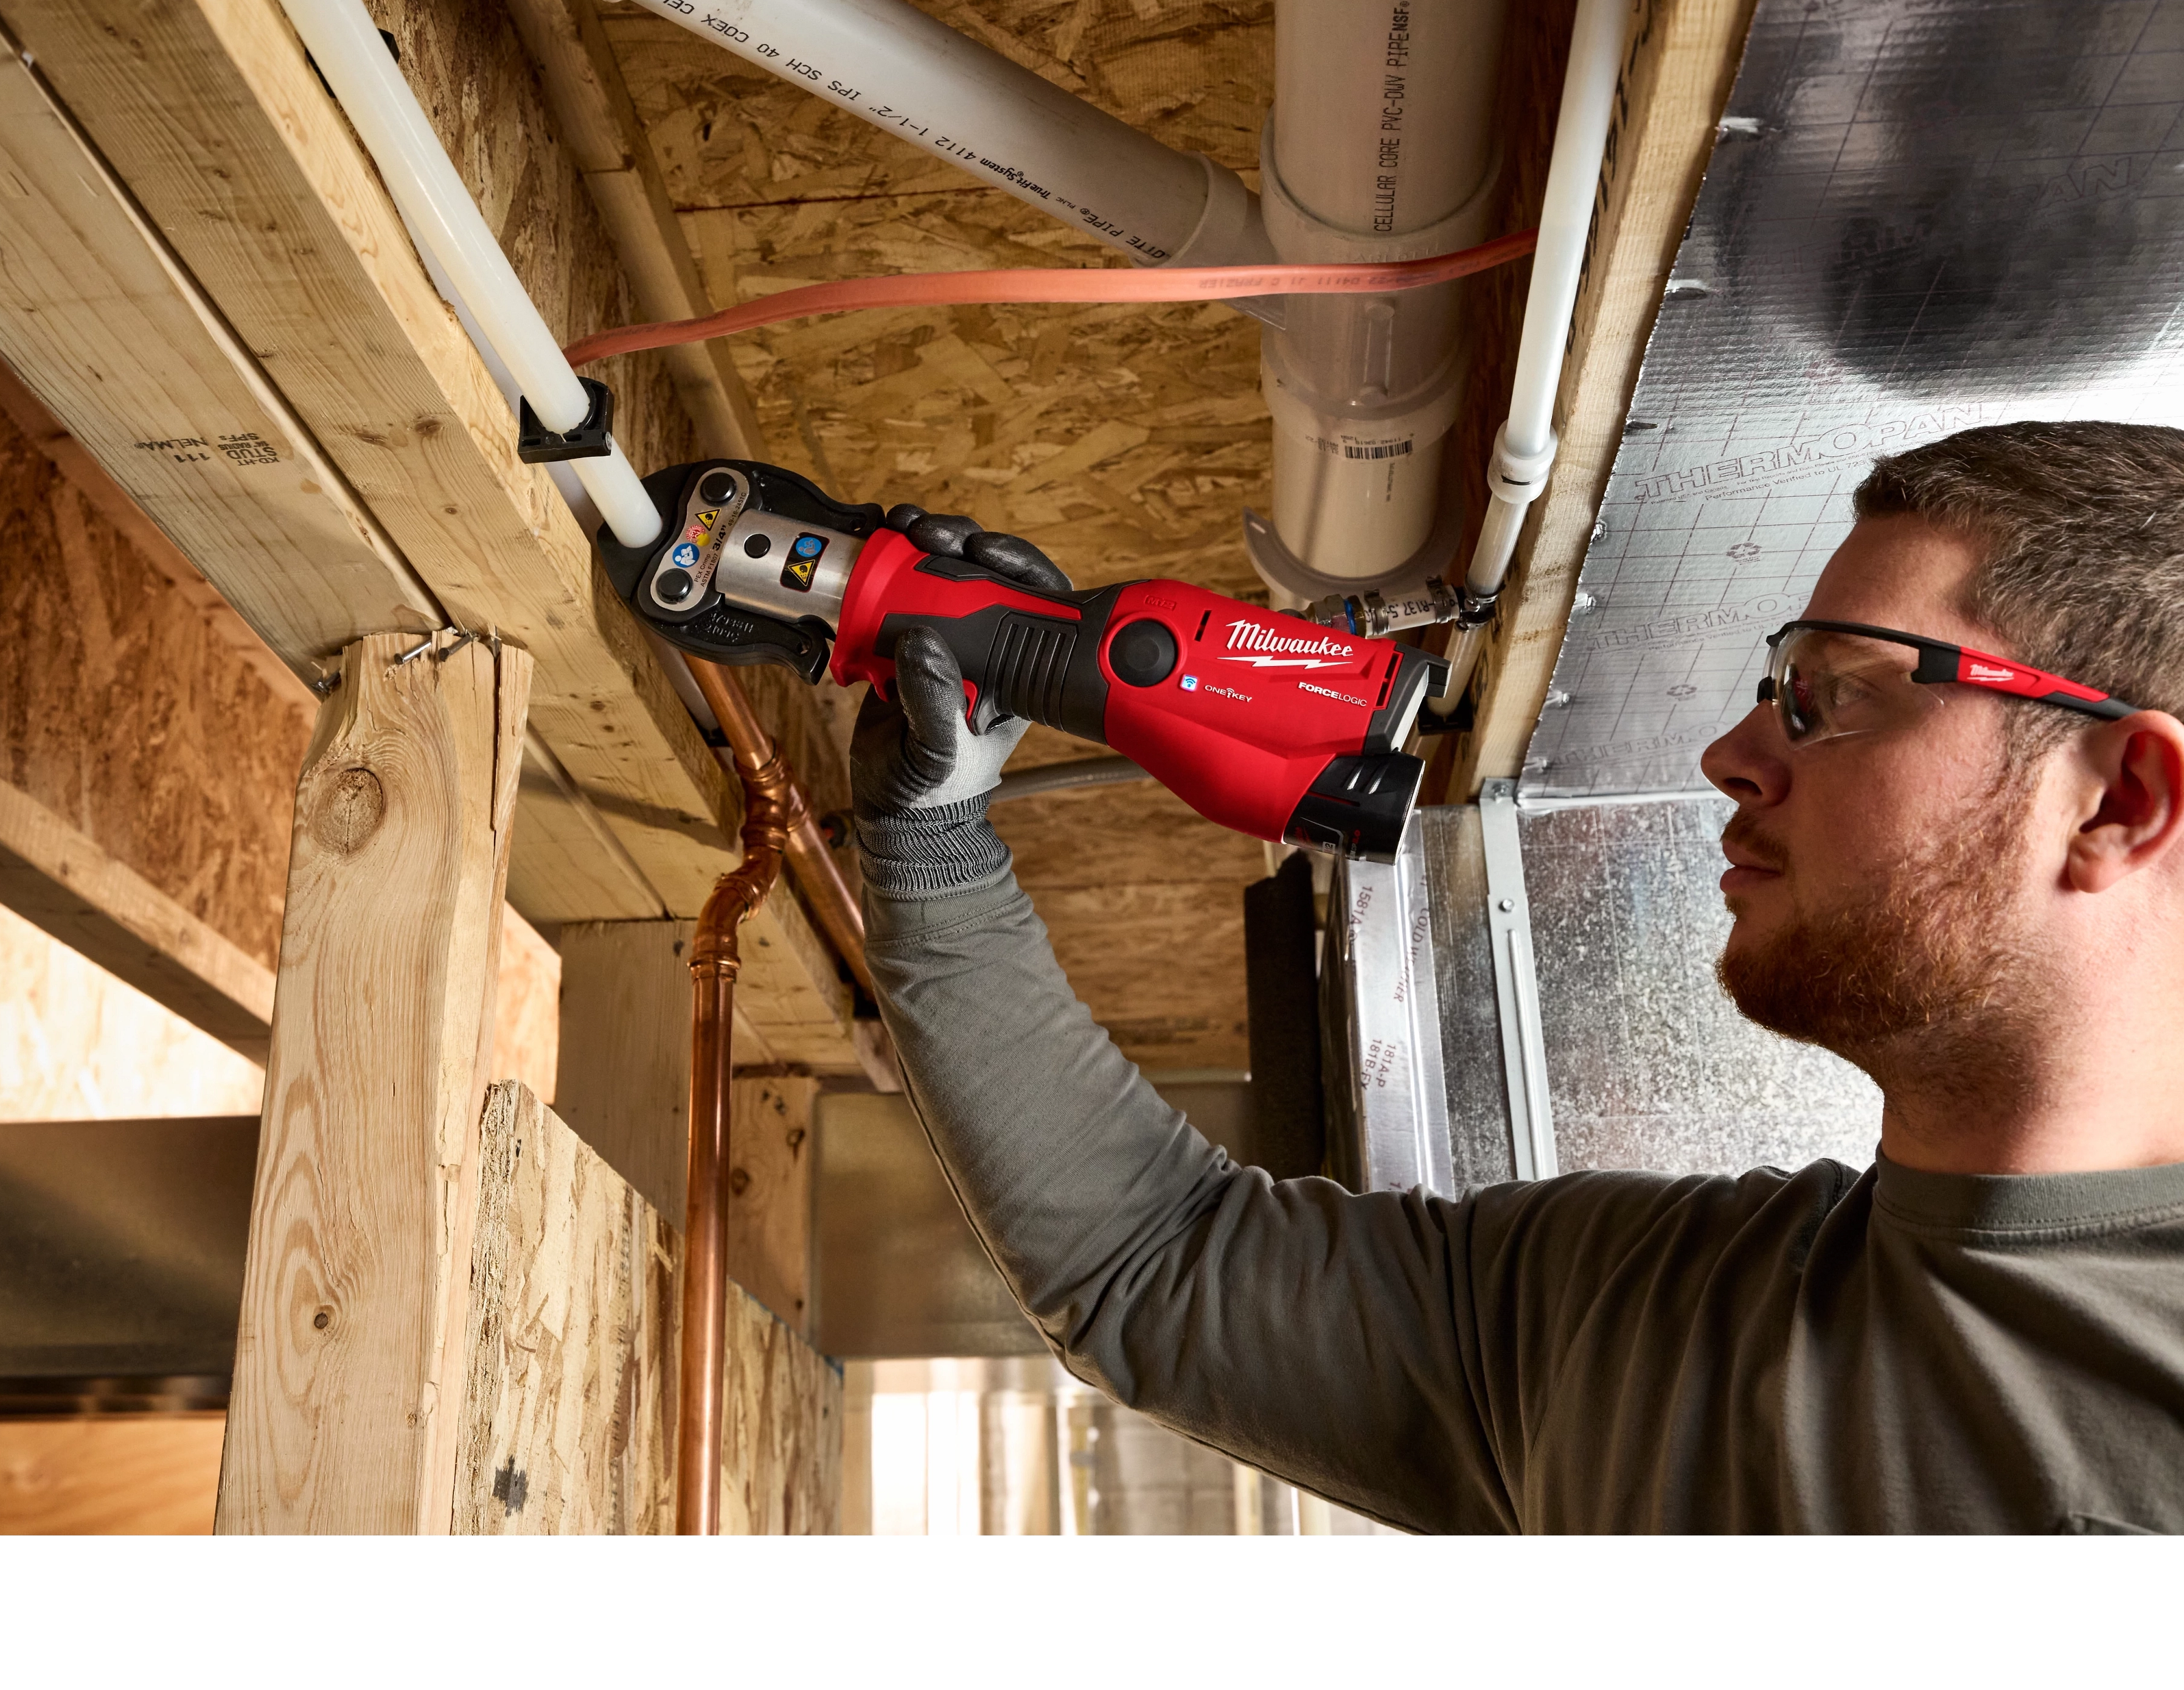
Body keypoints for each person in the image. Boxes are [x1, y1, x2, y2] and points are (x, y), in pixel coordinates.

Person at [850, 422, 2184, 1535]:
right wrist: (930, 846)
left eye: (1828, 695)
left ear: (2118, 799)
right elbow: (1155, 1261)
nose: (1729, 749)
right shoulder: (1633, 1308)